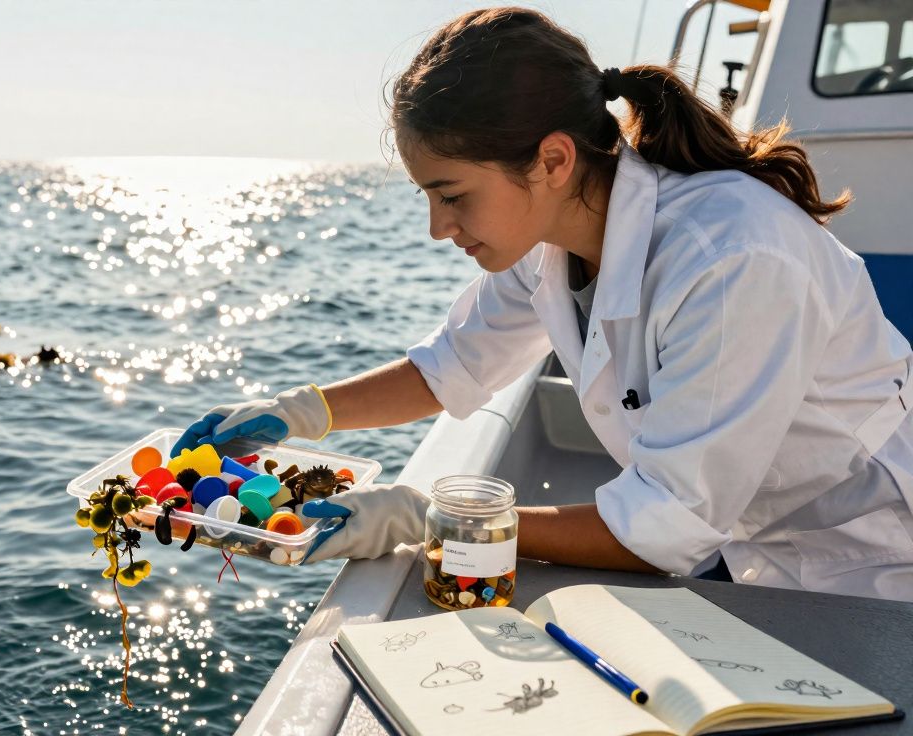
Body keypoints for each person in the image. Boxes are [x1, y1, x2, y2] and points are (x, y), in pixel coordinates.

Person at [171, 7, 913, 601]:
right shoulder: (549, 240)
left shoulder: (731, 258)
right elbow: (451, 367)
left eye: (452, 195)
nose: (437, 228)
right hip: (751, 541)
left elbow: (663, 527)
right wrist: (300, 412)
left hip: (874, 561)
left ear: (554, 160)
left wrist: (426, 518)